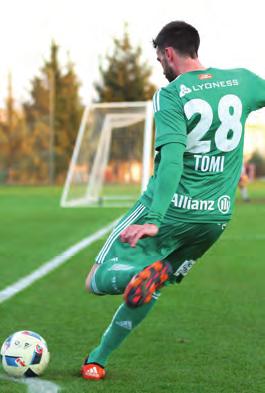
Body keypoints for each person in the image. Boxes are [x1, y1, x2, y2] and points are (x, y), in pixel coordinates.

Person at [81, 21, 265, 380]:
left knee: (96, 279)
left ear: (168, 53)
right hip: (215, 219)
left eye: (158, 59)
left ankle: (135, 276)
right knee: (155, 283)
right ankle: (97, 360)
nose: (160, 67)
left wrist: (154, 217)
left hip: (172, 211)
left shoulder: (171, 95)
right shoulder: (241, 81)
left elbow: (172, 161)